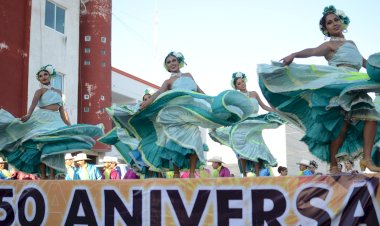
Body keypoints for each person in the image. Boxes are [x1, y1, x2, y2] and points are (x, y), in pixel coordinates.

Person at [257, 5, 380, 174]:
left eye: (336, 20)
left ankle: (367, 159)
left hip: (356, 85)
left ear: (342, 22)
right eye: (329, 23)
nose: (334, 23)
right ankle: (334, 165)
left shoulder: (352, 43)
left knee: (372, 117)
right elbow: (312, 51)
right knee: (341, 127)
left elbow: (365, 63)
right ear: (326, 29)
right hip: (339, 86)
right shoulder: (330, 46)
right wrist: (294, 54)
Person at [130, 51, 253, 178]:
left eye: (174, 60)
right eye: (169, 62)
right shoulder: (168, 81)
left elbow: (200, 92)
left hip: (192, 113)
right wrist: (147, 102)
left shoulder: (189, 75)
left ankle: (192, 173)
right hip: (177, 114)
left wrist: (213, 102)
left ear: (179, 62)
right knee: (176, 143)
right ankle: (177, 173)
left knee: (195, 141)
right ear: (166, 67)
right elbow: (158, 93)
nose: (172, 63)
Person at [0, 65, 104, 179]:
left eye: (45, 74)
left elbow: (61, 110)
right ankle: (43, 175)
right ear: (39, 79)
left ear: (50, 76)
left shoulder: (59, 92)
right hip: (42, 118)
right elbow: (33, 105)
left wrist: (68, 125)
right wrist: (28, 115)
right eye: (40, 76)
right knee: (40, 146)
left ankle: (53, 175)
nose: (43, 77)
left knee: (54, 146)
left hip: (56, 119)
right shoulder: (39, 91)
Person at [209, 72, 284, 177]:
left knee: (256, 148)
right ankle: (244, 175)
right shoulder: (236, 97)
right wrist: (217, 123)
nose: (242, 84)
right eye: (239, 83)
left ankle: (257, 174)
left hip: (254, 123)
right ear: (236, 87)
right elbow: (230, 113)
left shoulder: (254, 94)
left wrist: (277, 111)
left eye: (242, 81)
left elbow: (264, 106)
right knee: (242, 148)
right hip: (242, 125)